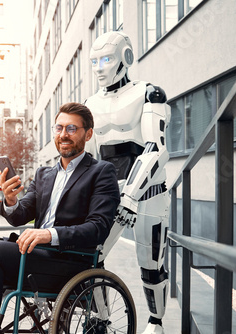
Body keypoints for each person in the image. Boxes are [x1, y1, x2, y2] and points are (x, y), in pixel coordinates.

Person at [0, 102, 120, 334]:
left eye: (71, 129)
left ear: (88, 134)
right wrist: (10, 201)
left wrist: (48, 234)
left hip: (69, 262)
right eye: (59, 128)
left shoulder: (101, 172)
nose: (63, 135)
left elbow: (98, 228)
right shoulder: (44, 174)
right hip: (37, 257)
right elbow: (20, 214)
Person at [85, 31, 171, 334]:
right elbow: (90, 158)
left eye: (105, 59)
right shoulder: (89, 104)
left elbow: (156, 148)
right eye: (94, 61)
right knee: (91, 255)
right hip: (110, 193)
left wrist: (132, 195)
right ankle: (101, 320)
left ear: (125, 58)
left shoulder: (149, 94)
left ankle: (156, 322)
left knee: (150, 264)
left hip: (148, 192)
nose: (98, 67)